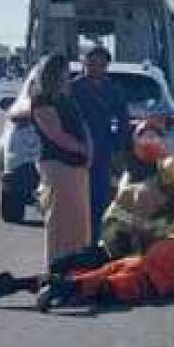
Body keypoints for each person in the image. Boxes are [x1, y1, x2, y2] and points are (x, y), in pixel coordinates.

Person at [0, 205, 174, 311]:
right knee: (96, 288)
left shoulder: (169, 237)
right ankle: (58, 288)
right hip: (142, 279)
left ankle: (16, 283)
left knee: (86, 276)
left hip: (132, 261)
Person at [15, 53, 91, 263]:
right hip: (57, 166)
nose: (68, 75)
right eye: (65, 71)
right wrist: (81, 148)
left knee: (78, 221)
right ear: (54, 73)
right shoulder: (42, 101)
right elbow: (55, 134)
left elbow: (81, 125)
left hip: (76, 166)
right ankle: (57, 267)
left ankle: (77, 266)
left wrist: (88, 149)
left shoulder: (66, 98)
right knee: (60, 220)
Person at [67, 44, 129, 242]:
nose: (96, 68)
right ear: (84, 63)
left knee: (100, 200)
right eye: (92, 63)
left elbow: (122, 119)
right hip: (75, 151)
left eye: (101, 64)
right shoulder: (73, 88)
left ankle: (95, 242)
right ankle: (75, 242)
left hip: (102, 151)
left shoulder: (113, 89)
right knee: (75, 200)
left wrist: (117, 144)